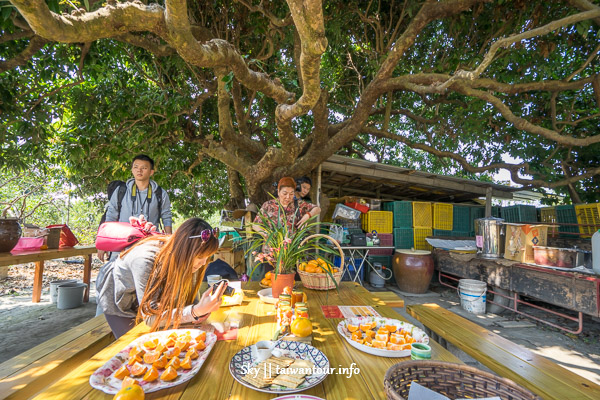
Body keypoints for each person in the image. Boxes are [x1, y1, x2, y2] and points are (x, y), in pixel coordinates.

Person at [96, 218, 226, 338]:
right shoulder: (144, 260)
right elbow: (151, 318)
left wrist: (199, 311)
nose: (203, 263)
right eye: (200, 257)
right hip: (118, 299)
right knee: (134, 348)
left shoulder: (189, 259)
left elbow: (190, 304)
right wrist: (194, 311)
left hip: (147, 298)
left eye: (207, 257)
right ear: (185, 251)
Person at [98, 154, 173, 262]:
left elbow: (166, 217)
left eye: (144, 168)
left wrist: (168, 242)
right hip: (122, 244)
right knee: (118, 274)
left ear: (151, 172)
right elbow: (111, 215)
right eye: (136, 167)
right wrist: (104, 243)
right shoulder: (121, 191)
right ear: (132, 170)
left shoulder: (160, 193)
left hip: (149, 245)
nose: (139, 170)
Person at [251, 177, 321, 280]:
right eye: (284, 193)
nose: (288, 197)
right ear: (278, 192)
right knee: (272, 285)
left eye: (291, 194)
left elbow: (317, 209)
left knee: (294, 287)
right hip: (271, 255)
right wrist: (266, 234)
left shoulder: (299, 205)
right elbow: (255, 224)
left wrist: (308, 215)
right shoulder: (268, 206)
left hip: (293, 256)